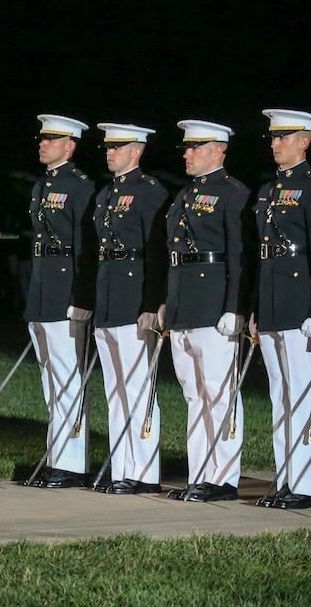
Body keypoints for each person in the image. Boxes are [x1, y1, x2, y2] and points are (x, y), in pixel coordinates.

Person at [161, 120, 251, 503]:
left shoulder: (233, 194)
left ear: (218, 150)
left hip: (214, 304)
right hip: (185, 303)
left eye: (195, 147)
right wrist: (168, 300)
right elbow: (176, 253)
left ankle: (224, 478)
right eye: (187, 147)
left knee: (219, 392)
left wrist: (234, 306)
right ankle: (200, 474)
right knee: (193, 394)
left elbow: (238, 255)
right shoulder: (184, 195)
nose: (187, 153)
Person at [91, 123, 169, 495]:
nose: (110, 152)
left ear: (136, 151)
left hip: (135, 296)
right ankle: (121, 467)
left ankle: (144, 472)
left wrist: (152, 303)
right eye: (108, 146)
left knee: (139, 389)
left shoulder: (148, 192)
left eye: (118, 146)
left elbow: (156, 253)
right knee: (115, 391)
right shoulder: (107, 193)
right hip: (108, 297)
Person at [22, 114, 96, 489]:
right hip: (41, 289)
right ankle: (57, 459)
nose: (43, 144)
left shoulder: (79, 186)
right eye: (42, 138)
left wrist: (80, 296)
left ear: (70, 145)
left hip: (64, 291)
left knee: (68, 378)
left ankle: (71, 464)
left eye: (51, 139)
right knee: (51, 381)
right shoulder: (43, 185)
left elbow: (85, 247)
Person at [252, 108, 311, 510]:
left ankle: (305, 484)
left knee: (302, 398)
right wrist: (255, 307)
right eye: (273, 138)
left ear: (304, 141)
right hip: (272, 302)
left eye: (283, 137)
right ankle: (286, 479)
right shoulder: (269, 189)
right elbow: (263, 254)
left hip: (299, 304)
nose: (275, 143)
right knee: (280, 398)